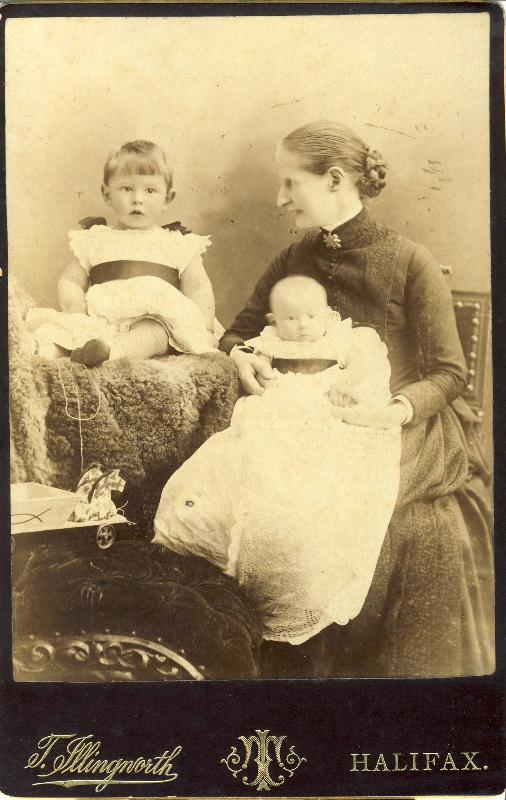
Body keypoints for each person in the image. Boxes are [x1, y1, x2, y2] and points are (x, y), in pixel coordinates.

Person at [219, 121, 494, 678]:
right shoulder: (292, 258)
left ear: (335, 179)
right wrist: (241, 356)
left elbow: (449, 373)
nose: (280, 198)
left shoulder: (410, 260)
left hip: (394, 423)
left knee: (350, 513)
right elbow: (235, 333)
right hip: (298, 421)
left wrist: (390, 412)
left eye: (291, 183)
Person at [154, 274, 402, 645]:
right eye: (291, 318)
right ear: (273, 320)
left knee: (309, 481)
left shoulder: (344, 338)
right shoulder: (268, 342)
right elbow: (245, 356)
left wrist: (350, 386)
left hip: (323, 414)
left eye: (311, 316)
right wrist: (254, 366)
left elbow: (369, 366)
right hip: (275, 415)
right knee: (236, 467)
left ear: (328, 314)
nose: (302, 326)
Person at [26, 140, 218, 365]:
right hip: (99, 320)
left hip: (153, 319)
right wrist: (75, 308)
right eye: (127, 188)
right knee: (65, 330)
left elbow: (199, 288)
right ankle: (45, 351)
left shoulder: (177, 242)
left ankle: (112, 352)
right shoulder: (94, 239)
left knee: (155, 332)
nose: (137, 199)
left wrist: (204, 327)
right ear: (107, 194)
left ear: (167, 198)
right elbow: (71, 280)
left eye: (150, 190)